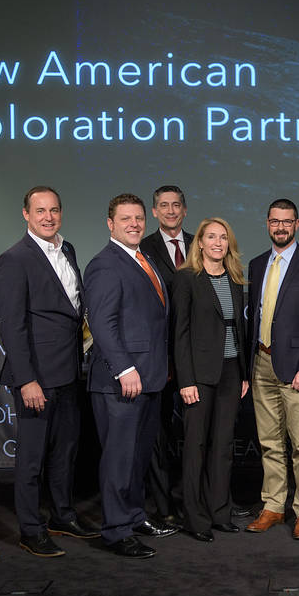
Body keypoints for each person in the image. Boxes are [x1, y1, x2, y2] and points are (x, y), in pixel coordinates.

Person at [0, 186, 98, 558]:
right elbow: (12, 325)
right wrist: (26, 380)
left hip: (69, 371)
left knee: (65, 451)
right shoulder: (14, 259)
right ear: (25, 214)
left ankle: (62, 515)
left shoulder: (65, 249)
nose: (48, 217)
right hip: (36, 376)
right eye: (40, 211)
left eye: (54, 210)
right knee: (32, 457)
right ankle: (30, 528)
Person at [85, 193, 178, 558]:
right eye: (126, 219)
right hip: (120, 381)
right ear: (111, 224)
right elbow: (103, 325)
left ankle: (135, 516)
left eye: (139, 218)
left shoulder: (145, 259)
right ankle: (116, 530)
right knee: (119, 459)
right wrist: (125, 368)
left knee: (138, 457)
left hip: (150, 378)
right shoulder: (105, 265)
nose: (134, 224)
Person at [245, 199, 299, 539]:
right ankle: (273, 507)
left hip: (297, 370)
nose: (280, 227)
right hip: (261, 363)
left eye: (287, 222)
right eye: (275, 221)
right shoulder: (255, 264)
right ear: (267, 223)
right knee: (269, 442)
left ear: (297, 224)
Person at [173, 218, 250, 542]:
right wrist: (186, 379)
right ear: (200, 243)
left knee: (222, 447)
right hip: (199, 377)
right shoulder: (187, 279)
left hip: (232, 373)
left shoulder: (234, 279)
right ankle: (196, 519)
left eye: (223, 237)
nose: (218, 242)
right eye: (211, 237)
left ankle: (220, 512)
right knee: (196, 447)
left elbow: (237, 330)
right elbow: (180, 334)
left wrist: (244, 374)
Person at [139, 185, 192, 525]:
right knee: (157, 436)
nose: (170, 211)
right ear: (154, 212)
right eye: (163, 206)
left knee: (195, 434)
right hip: (157, 356)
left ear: (184, 210)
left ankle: (195, 502)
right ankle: (164, 506)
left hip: (194, 357)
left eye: (176, 205)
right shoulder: (142, 247)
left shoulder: (202, 243)